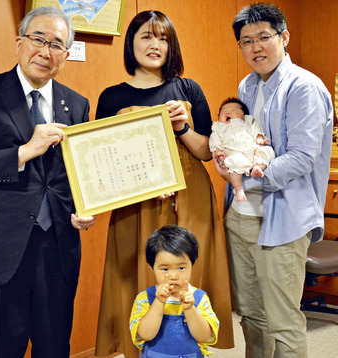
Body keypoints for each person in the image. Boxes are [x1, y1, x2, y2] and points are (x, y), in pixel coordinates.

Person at [0, 7, 97, 358]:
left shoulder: (76, 104)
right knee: (2, 348)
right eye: (38, 39)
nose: (45, 52)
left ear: (66, 54)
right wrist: (25, 151)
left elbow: (79, 174)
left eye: (57, 45)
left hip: (58, 247)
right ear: (20, 42)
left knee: (54, 347)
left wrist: (84, 208)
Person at [95, 10, 233, 357]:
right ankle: (139, 346)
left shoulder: (188, 89)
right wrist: (143, 180)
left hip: (188, 195)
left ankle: (191, 345)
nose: (154, 45)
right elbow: (100, 163)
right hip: (135, 199)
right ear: (131, 43)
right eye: (146, 36)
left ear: (172, 46)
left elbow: (206, 153)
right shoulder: (111, 96)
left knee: (190, 268)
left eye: (163, 38)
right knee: (135, 269)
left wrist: (184, 127)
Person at [214, 3, 333, 358]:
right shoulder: (247, 85)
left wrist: (253, 173)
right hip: (242, 216)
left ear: (284, 37)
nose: (255, 48)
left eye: (264, 37)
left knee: (282, 320)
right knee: (251, 314)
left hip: (283, 217)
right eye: (246, 41)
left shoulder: (304, 87)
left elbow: (302, 157)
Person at [130, 225, 219, 357]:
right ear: (152, 268)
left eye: (181, 268)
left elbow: (204, 337)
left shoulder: (199, 298)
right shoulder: (145, 298)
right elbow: (145, 335)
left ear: (192, 265)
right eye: (165, 269)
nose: (173, 276)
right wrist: (159, 302)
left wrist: (190, 310)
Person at [209, 97, 275, 202]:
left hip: (251, 151)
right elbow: (214, 139)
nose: (228, 112)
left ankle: (258, 167)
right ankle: (239, 189)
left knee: (267, 151)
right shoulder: (218, 127)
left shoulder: (247, 121)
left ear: (243, 115)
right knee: (234, 163)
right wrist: (217, 150)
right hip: (234, 154)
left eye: (233, 110)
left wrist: (259, 137)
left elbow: (255, 127)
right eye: (223, 112)